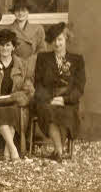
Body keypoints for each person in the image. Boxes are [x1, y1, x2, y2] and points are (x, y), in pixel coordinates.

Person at [0, 29, 34, 161]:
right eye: (2, 45)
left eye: (8, 45)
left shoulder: (22, 64)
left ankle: (7, 152)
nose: (4, 48)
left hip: (14, 101)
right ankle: (13, 150)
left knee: (12, 109)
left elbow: (29, 89)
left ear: (13, 47)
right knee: (2, 111)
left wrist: (14, 97)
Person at [34, 23, 85, 163]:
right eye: (54, 40)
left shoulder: (77, 60)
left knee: (64, 112)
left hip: (68, 101)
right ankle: (60, 151)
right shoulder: (43, 59)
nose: (57, 43)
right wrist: (50, 98)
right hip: (46, 100)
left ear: (66, 39)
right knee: (48, 111)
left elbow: (79, 87)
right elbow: (37, 83)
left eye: (60, 39)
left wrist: (64, 100)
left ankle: (57, 151)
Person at [2, 0, 45, 78]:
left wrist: (33, 59)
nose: (20, 13)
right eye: (18, 10)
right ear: (14, 12)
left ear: (28, 11)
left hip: (33, 66)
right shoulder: (7, 30)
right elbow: (3, 51)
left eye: (23, 10)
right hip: (14, 66)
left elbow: (42, 49)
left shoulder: (38, 29)